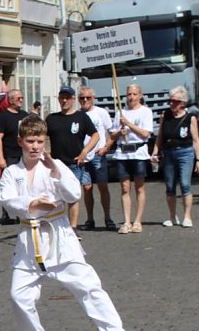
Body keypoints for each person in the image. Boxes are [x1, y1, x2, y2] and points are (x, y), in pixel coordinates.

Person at [0, 116, 138, 331]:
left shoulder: (56, 165)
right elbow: (8, 202)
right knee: (18, 295)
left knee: (89, 287)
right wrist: (33, 204)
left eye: (40, 141)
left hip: (59, 236)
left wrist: (56, 170)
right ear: (20, 141)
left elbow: (73, 193)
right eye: (30, 141)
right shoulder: (12, 172)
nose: (35, 146)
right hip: (29, 240)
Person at [45, 86, 99, 238]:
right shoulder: (51, 118)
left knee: (73, 196)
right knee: (56, 196)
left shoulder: (81, 117)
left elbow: (95, 135)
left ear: (73, 99)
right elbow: (42, 136)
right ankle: (58, 226)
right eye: (62, 97)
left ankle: (73, 228)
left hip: (75, 163)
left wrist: (85, 151)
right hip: (56, 164)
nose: (64, 100)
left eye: (67, 97)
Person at [151, 86, 199, 227]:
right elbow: (160, 136)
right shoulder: (165, 116)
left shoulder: (190, 118)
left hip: (185, 152)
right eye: (170, 101)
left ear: (183, 103)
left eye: (175, 101)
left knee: (185, 184)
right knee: (170, 186)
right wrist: (155, 152)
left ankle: (187, 217)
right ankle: (172, 217)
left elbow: (196, 140)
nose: (171, 103)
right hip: (168, 153)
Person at [105, 84, 152, 234]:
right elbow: (112, 135)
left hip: (138, 152)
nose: (131, 97)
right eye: (129, 94)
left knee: (139, 186)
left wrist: (130, 125)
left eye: (134, 94)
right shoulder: (121, 112)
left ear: (140, 95)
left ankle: (137, 221)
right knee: (125, 188)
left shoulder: (145, 112)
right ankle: (126, 221)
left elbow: (145, 133)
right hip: (122, 153)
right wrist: (120, 131)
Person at [78, 86, 117, 231]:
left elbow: (112, 133)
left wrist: (106, 147)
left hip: (98, 155)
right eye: (82, 98)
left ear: (93, 98)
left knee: (103, 186)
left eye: (88, 98)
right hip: (84, 156)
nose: (85, 100)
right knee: (87, 188)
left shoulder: (101, 113)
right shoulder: (77, 114)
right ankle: (90, 219)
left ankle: (107, 217)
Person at [0, 89, 29, 225]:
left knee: (24, 183)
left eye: (22, 97)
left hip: (23, 155)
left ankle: (23, 211)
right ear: (11, 100)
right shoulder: (4, 117)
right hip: (10, 155)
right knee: (8, 184)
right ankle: (6, 213)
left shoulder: (25, 115)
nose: (21, 100)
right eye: (18, 98)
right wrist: (0, 158)